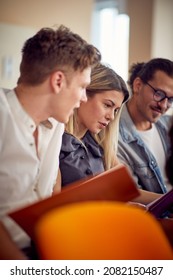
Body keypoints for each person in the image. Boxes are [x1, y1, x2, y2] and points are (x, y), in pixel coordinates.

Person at [0, 24, 101, 259]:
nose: (84, 98)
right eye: (83, 87)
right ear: (58, 81)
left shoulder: (56, 123)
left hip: (43, 243)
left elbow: (48, 194)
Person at [55, 63, 162, 205]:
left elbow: (128, 192)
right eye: (107, 105)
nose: (111, 117)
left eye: (116, 110)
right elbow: (54, 204)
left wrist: (166, 200)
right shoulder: (55, 141)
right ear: (83, 95)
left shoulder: (100, 145)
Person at [117, 58, 173, 194]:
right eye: (159, 94)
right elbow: (131, 194)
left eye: (171, 99)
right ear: (138, 85)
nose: (164, 105)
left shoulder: (168, 125)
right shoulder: (115, 136)